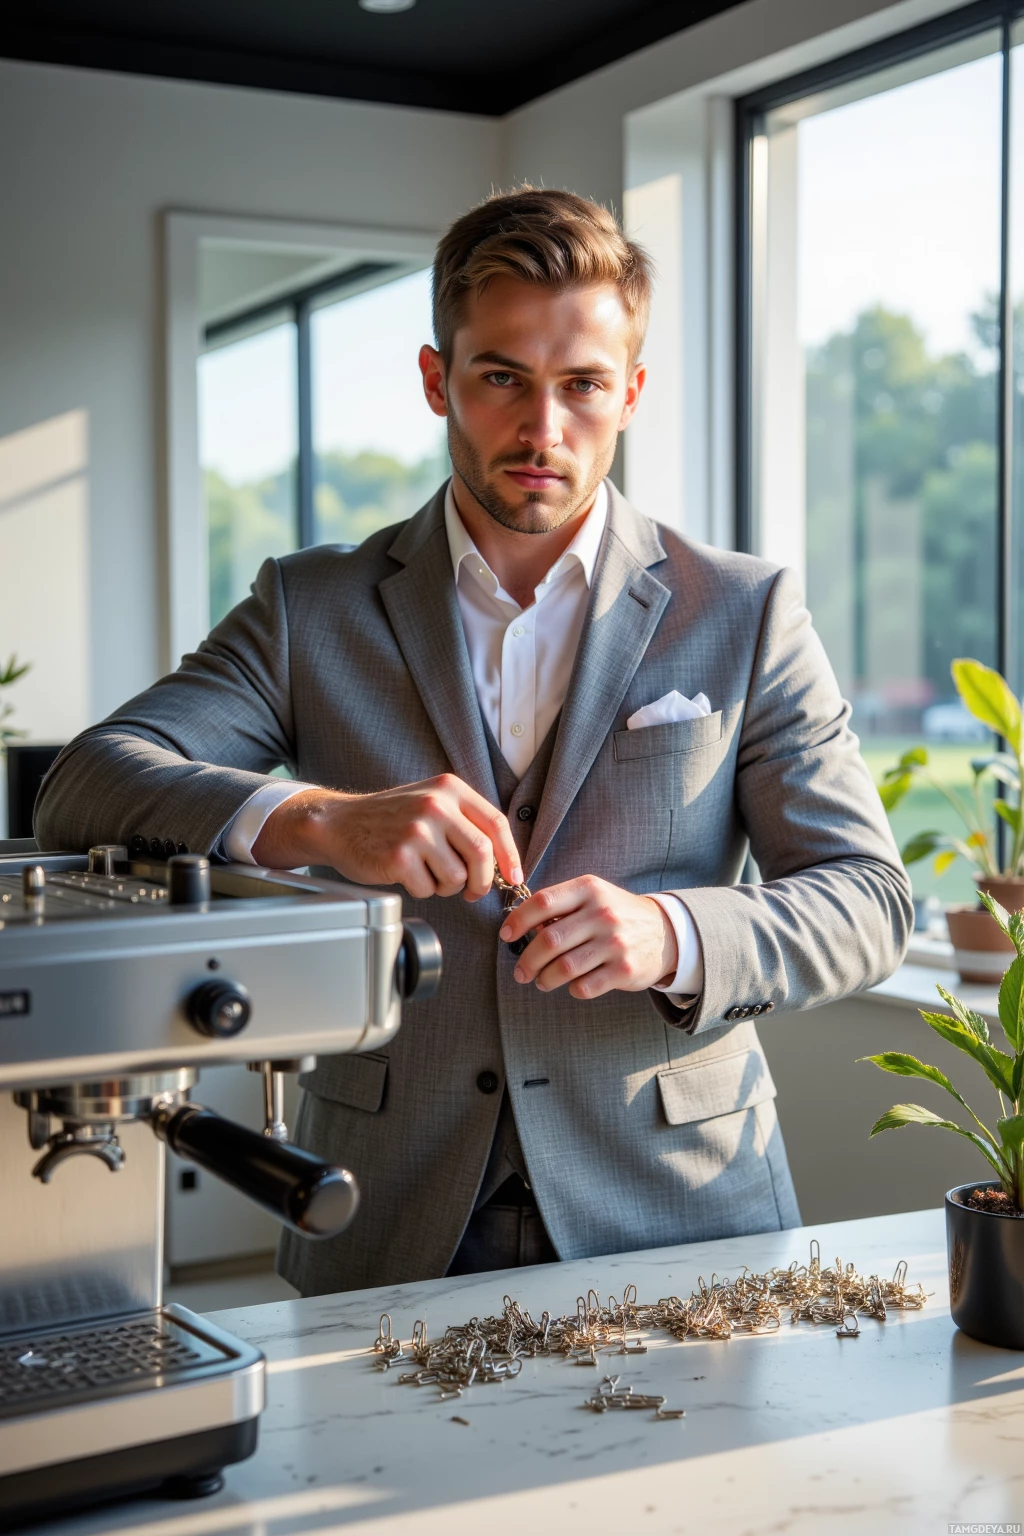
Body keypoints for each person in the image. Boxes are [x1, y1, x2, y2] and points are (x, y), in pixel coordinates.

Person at [36, 187, 913, 1294]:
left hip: (681, 1210)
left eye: (583, 385)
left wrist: (672, 933)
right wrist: (318, 820)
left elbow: (870, 899)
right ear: (435, 378)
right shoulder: (314, 607)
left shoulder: (744, 611)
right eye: (501, 376)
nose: (543, 430)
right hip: (383, 1208)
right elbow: (85, 784)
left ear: (630, 392)